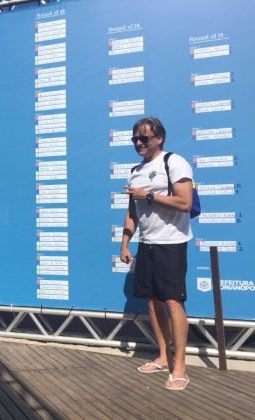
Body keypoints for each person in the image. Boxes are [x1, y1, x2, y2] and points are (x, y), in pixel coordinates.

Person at [119, 117, 193, 391]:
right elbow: (131, 212)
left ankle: (180, 368)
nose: (138, 143)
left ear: (159, 138)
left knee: (173, 302)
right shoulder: (135, 170)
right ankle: (164, 356)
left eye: (144, 138)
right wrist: (125, 243)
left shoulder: (174, 162)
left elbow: (184, 202)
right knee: (152, 302)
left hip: (171, 243)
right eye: (135, 139)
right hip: (146, 243)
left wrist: (148, 195)